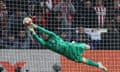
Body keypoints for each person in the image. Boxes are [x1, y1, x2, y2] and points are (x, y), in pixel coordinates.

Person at [23, 17, 108, 72]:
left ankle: (97, 62)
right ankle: (98, 65)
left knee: (88, 47)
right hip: (68, 54)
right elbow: (39, 40)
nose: (44, 35)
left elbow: (44, 30)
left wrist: (34, 25)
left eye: (44, 34)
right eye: (43, 35)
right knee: (83, 60)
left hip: (71, 46)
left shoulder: (53, 35)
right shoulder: (47, 44)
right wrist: (33, 31)